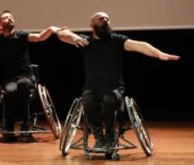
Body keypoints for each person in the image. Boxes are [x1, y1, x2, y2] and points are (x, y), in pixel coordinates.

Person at [56, 12, 179, 148]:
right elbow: (62, 35)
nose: (106, 20)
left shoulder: (117, 40)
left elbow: (139, 45)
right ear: (91, 25)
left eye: (107, 19)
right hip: (92, 89)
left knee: (109, 100)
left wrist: (159, 54)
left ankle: (110, 137)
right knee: (87, 100)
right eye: (101, 18)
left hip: (114, 89)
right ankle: (99, 138)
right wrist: (71, 35)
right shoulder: (85, 42)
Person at [0, 11, 63, 138]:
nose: (9, 18)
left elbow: (39, 37)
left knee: (22, 85)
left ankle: (26, 124)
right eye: (5, 17)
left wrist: (51, 29)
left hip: (26, 76)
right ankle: (9, 127)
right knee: (9, 91)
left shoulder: (21, 35)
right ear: (0, 23)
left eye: (10, 16)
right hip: (10, 79)